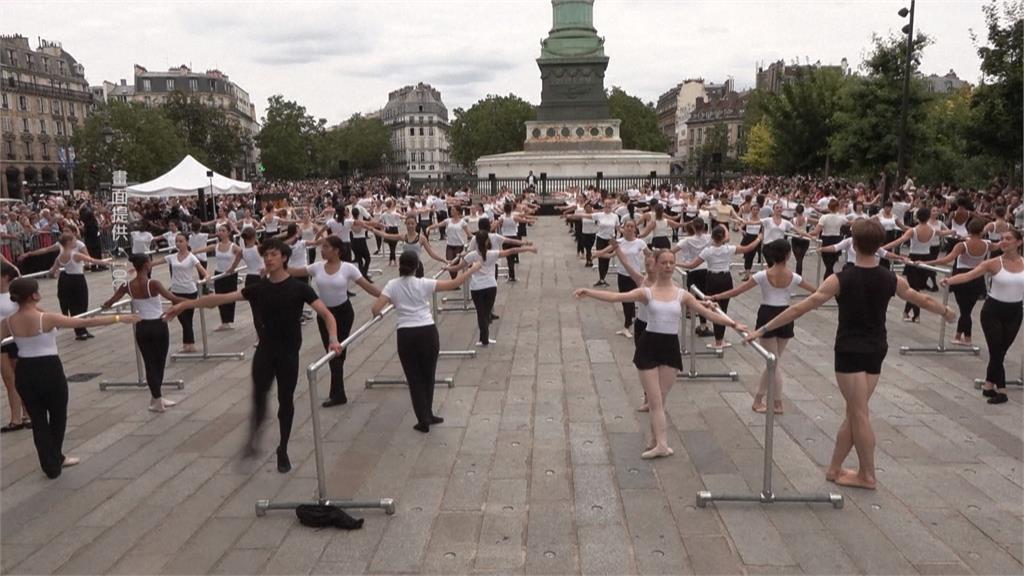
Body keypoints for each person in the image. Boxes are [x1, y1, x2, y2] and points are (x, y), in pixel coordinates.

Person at [745, 219, 953, 490]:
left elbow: (802, 307)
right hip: (876, 349)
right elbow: (920, 298)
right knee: (855, 412)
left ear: (853, 244)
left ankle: (867, 475)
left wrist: (762, 329)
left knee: (859, 413)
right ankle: (834, 468)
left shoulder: (840, 279)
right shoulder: (892, 279)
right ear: (879, 246)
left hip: (850, 350)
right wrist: (946, 312)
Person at [164, 239, 342, 473]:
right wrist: (186, 305)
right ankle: (253, 439)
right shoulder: (258, 289)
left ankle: (283, 448)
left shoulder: (300, 289)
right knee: (259, 398)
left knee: (285, 402)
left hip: (289, 354)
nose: (268, 259)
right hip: (265, 352)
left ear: (284, 258)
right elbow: (220, 299)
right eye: (265, 255)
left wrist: (333, 339)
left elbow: (327, 315)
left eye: (273, 254)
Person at [575, 249, 744, 459]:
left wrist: (733, 324)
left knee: (661, 401)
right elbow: (617, 297)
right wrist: (589, 292)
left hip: (669, 346)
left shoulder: (683, 295)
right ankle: (662, 445)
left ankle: (654, 439)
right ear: (655, 264)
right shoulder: (646, 292)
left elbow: (707, 314)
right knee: (655, 400)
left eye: (671, 263)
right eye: (663, 262)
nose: (668, 266)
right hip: (649, 345)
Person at [6, 277, 139, 478]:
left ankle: (49, 462)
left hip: (24, 371)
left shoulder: (9, 321)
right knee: (58, 414)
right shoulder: (46, 318)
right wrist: (119, 318)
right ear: (34, 295)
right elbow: (85, 322)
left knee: (38, 419)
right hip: (49, 368)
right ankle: (55, 458)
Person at [372, 251, 481, 432]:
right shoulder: (423, 283)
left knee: (414, 378)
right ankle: (427, 414)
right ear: (417, 266)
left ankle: (424, 417)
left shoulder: (392, 285)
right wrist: (472, 269)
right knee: (428, 375)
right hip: (427, 331)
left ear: (400, 265)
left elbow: (375, 308)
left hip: (406, 334)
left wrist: (385, 310)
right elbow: (454, 283)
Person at [708, 239, 816, 414]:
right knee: (773, 362)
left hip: (767, 314)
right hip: (786, 315)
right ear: (788, 255)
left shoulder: (762, 275)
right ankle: (761, 399)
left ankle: (775, 402)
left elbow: (737, 291)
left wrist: (716, 296)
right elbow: (816, 291)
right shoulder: (794, 277)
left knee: (774, 363)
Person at [288, 235, 380, 407]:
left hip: (344, 314)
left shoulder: (347, 268)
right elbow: (294, 272)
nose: (322, 250)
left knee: (338, 354)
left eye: (325, 247)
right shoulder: (317, 267)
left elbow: (367, 286)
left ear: (336, 250)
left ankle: (337, 393)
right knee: (332, 354)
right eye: (322, 247)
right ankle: (338, 393)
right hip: (324, 315)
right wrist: (275, 266)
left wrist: (386, 297)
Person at [943, 229, 1024, 405]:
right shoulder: (993, 263)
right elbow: (969, 275)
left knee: (1001, 351)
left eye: (1008, 239)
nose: (1004, 241)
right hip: (992, 311)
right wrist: (950, 281)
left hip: (1015, 312)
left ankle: (988, 385)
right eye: (1002, 238)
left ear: (1018, 242)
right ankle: (1001, 390)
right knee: (995, 350)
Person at [102, 254, 184, 412]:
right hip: (158, 325)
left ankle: (157, 397)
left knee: (150, 362)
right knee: (159, 362)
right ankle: (157, 398)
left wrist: (105, 305)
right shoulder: (153, 284)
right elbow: (172, 297)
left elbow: (111, 301)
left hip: (142, 326)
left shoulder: (127, 285)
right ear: (147, 265)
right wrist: (191, 301)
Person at [678, 225, 762, 350]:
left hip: (712, 279)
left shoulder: (708, 251)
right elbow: (748, 248)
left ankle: (718, 341)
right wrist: (759, 238)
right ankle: (719, 340)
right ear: (724, 238)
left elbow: (691, 265)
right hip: (726, 279)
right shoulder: (729, 249)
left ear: (712, 237)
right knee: (724, 309)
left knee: (715, 309)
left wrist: (675, 263)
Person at [453, 231, 537, 346]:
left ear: (476, 242)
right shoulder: (491, 254)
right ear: (487, 241)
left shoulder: (471, 255)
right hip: (490, 286)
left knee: (481, 314)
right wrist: (528, 248)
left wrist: (447, 267)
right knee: (486, 313)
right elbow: (511, 251)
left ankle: (484, 338)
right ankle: (484, 338)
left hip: (477, 288)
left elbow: (457, 268)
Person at [21, 233, 111, 341]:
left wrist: (54, 273)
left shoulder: (60, 256)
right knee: (81, 305)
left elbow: (52, 271)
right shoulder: (74, 254)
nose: (75, 242)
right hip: (78, 280)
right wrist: (109, 262)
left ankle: (80, 330)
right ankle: (80, 330)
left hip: (67, 280)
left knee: (73, 306)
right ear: (68, 242)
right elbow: (92, 260)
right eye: (73, 240)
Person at [925, 218, 989, 346]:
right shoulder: (987, 244)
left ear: (969, 230)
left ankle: (968, 338)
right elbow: (999, 246)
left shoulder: (962, 245)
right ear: (982, 231)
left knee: (965, 310)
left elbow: (946, 259)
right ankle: (959, 335)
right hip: (977, 277)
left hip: (962, 276)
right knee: (967, 309)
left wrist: (927, 262)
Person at [593, 219, 648, 338]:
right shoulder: (619, 242)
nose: (629, 228)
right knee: (625, 301)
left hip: (635, 275)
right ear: (623, 228)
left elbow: (650, 256)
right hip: (622, 275)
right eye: (627, 226)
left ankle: (628, 324)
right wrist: (594, 255)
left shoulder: (640, 243)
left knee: (633, 300)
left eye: (631, 226)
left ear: (634, 229)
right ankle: (627, 324)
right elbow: (605, 252)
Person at [165, 233, 209, 353]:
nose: (178, 243)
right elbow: (155, 263)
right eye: (177, 241)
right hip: (175, 292)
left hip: (189, 291)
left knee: (187, 318)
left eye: (181, 241)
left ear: (186, 242)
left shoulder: (191, 257)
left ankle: (189, 344)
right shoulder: (172, 257)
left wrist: (205, 278)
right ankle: (188, 344)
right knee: (182, 319)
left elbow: (203, 271)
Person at [194, 225, 243, 332]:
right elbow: (203, 249)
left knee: (230, 297)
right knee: (219, 296)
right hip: (219, 274)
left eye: (223, 230)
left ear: (228, 232)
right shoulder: (216, 246)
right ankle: (224, 322)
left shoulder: (233, 246)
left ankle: (228, 320)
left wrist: (233, 266)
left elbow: (242, 254)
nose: (220, 232)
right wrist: (192, 252)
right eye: (219, 231)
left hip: (230, 275)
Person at [371, 214, 447, 278]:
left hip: (416, 266)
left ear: (416, 224)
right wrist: (371, 229)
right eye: (408, 224)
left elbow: (431, 253)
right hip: (405, 266)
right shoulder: (403, 236)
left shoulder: (421, 238)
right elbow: (386, 235)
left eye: (412, 223)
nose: (410, 226)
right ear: (405, 224)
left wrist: (443, 260)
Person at [0, 263, 27, 432]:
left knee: (22, 378)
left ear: (5, 278)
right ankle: (15, 418)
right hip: (1, 342)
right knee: (9, 381)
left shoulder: (15, 295)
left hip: (15, 340)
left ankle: (28, 413)